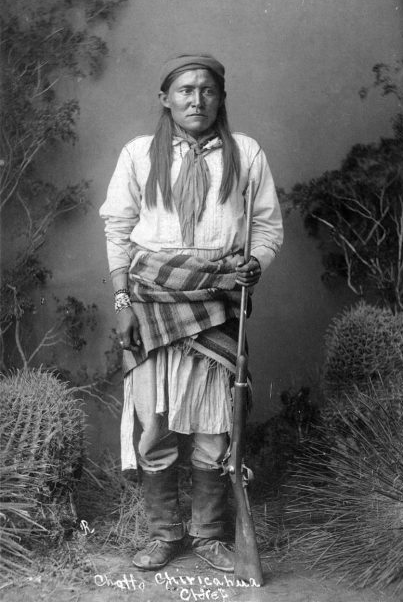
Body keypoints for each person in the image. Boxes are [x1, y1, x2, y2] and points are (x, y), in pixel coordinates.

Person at [99, 53, 283, 573]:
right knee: (153, 428)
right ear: (165, 98)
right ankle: (163, 535)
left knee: (214, 430)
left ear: (221, 97)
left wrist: (254, 263)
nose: (196, 100)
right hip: (151, 307)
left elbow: (267, 228)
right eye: (184, 90)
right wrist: (122, 301)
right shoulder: (139, 155)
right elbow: (117, 230)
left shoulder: (245, 154)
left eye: (207, 90)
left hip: (218, 306)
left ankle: (208, 536)